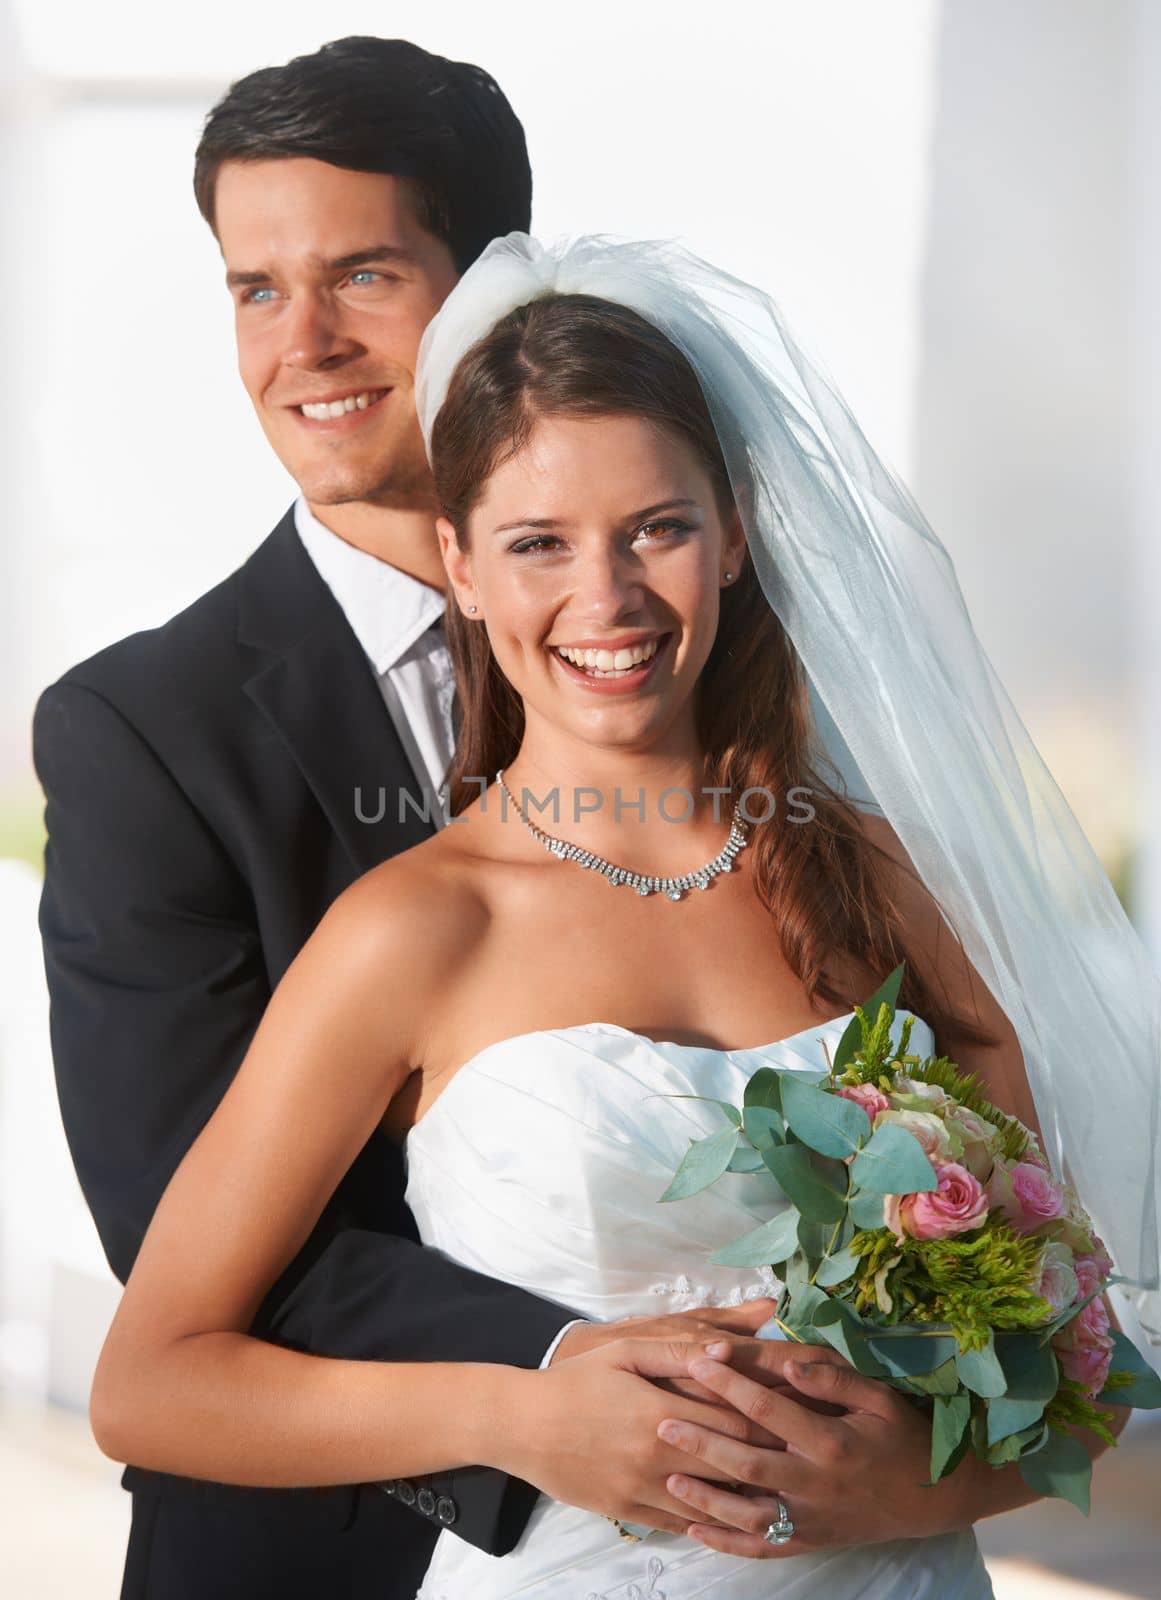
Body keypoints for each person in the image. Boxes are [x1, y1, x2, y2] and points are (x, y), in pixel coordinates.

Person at [85, 233, 1154, 1598]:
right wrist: (514, 1414)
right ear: (464, 570)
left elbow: (1076, 1354)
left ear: (734, 534)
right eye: (539, 543)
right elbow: (151, 1384)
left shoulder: (883, 881)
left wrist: (925, 1478)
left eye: (656, 528)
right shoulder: (415, 931)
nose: (607, 599)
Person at [32, 40, 798, 1600]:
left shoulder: (720, 650)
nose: (300, 343)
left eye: (361, 274)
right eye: (254, 289)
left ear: (491, 288)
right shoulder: (140, 734)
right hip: (323, 1546)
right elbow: (181, 1232)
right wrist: (597, 1391)